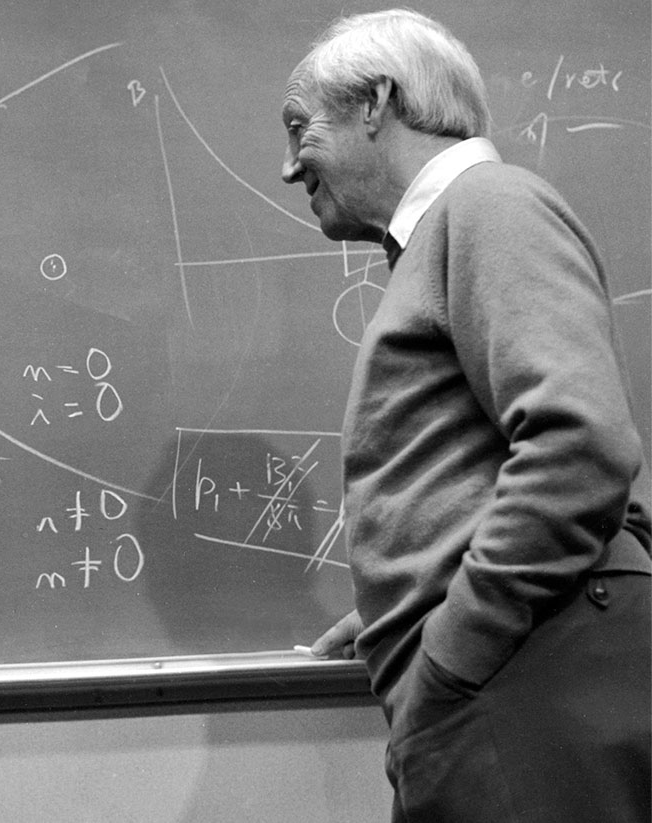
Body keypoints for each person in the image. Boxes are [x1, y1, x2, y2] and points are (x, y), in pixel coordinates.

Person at [281, 10, 651, 822]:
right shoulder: (460, 227)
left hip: (521, 686)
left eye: (300, 128)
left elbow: (581, 446)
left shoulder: (489, 204)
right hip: (521, 684)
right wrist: (408, 600)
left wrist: (451, 649)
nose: (287, 166)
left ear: (377, 102)